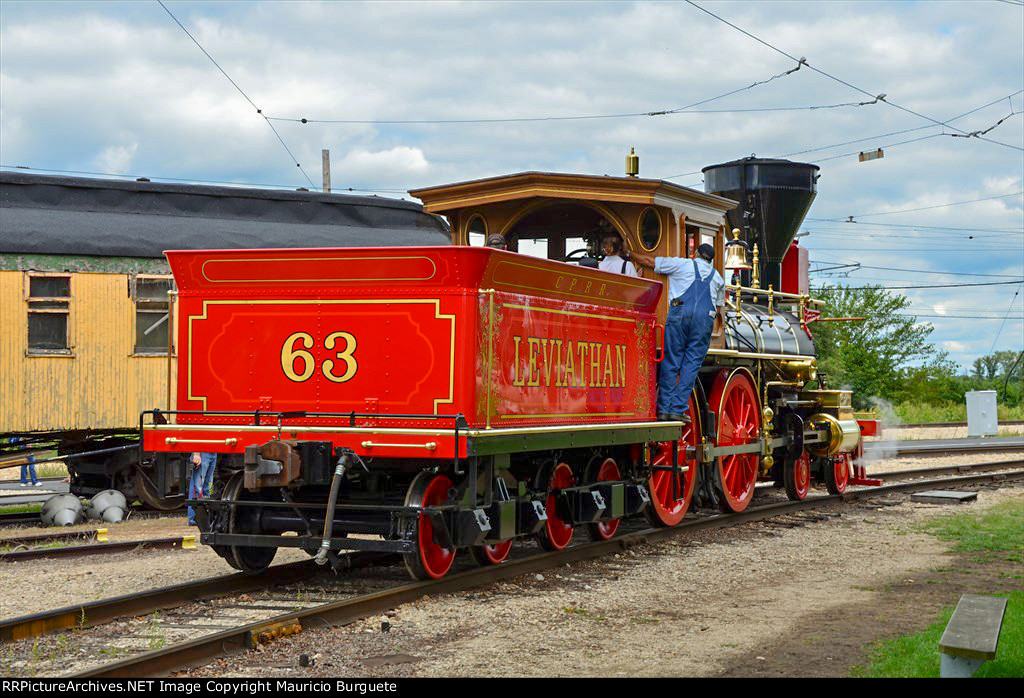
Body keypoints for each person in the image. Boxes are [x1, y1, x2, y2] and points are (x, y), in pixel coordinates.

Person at [624, 243, 724, 422]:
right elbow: (718, 309)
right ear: (711, 259)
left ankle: (663, 409)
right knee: (691, 365)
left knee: (671, 361)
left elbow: (649, 261)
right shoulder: (718, 278)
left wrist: (630, 253)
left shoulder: (683, 264)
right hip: (703, 322)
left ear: (695, 253)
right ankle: (678, 409)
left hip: (679, 316)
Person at [187, 452, 217, 526]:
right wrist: (196, 453)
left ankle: (202, 518)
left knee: (207, 486)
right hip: (204, 452)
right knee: (198, 487)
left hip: (212, 452)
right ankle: (194, 518)